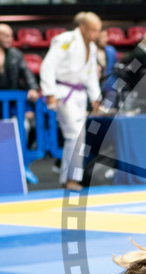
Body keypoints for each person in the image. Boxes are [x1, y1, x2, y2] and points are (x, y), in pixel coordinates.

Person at [39, 12, 103, 190]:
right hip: (63, 92)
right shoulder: (65, 40)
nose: (97, 34)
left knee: (79, 136)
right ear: (82, 28)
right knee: (74, 134)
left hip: (79, 95)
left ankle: (69, 177)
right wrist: (50, 92)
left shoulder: (92, 47)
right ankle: (70, 179)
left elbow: (90, 76)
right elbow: (48, 65)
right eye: (93, 30)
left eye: (99, 30)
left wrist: (96, 98)